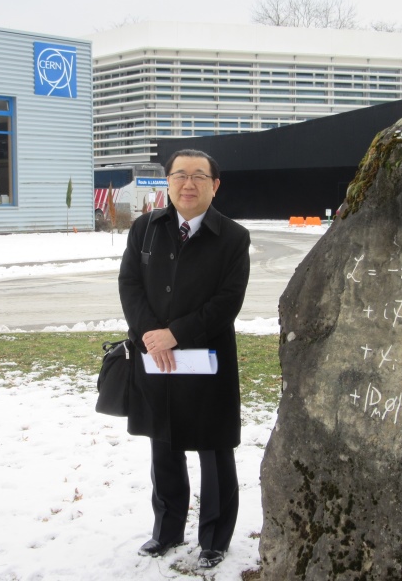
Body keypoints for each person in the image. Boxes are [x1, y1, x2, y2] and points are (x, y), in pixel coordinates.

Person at [118, 149, 251, 570]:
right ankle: (167, 529)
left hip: (206, 361)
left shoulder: (232, 237)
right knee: (164, 444)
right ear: (168, 183)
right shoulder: (146, 228)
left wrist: (176, 334)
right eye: (179, 175)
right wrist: (149, 335)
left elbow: (227, 302)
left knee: (213, 449)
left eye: (198, 176)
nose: (187, 184)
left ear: (215, 185)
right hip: (156, 358)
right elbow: (130, 284)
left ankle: (214, 538)